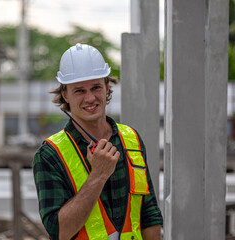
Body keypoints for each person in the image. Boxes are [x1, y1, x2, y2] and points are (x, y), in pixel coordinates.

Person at [33, 43, 163, 240]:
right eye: (79, 91)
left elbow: (148, 214)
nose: (90, 98)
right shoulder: (50, 154)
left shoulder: (132, 140)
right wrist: (98, 175)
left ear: (107, 87)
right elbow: (60, 232)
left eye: (95, 87)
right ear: (65, 94)